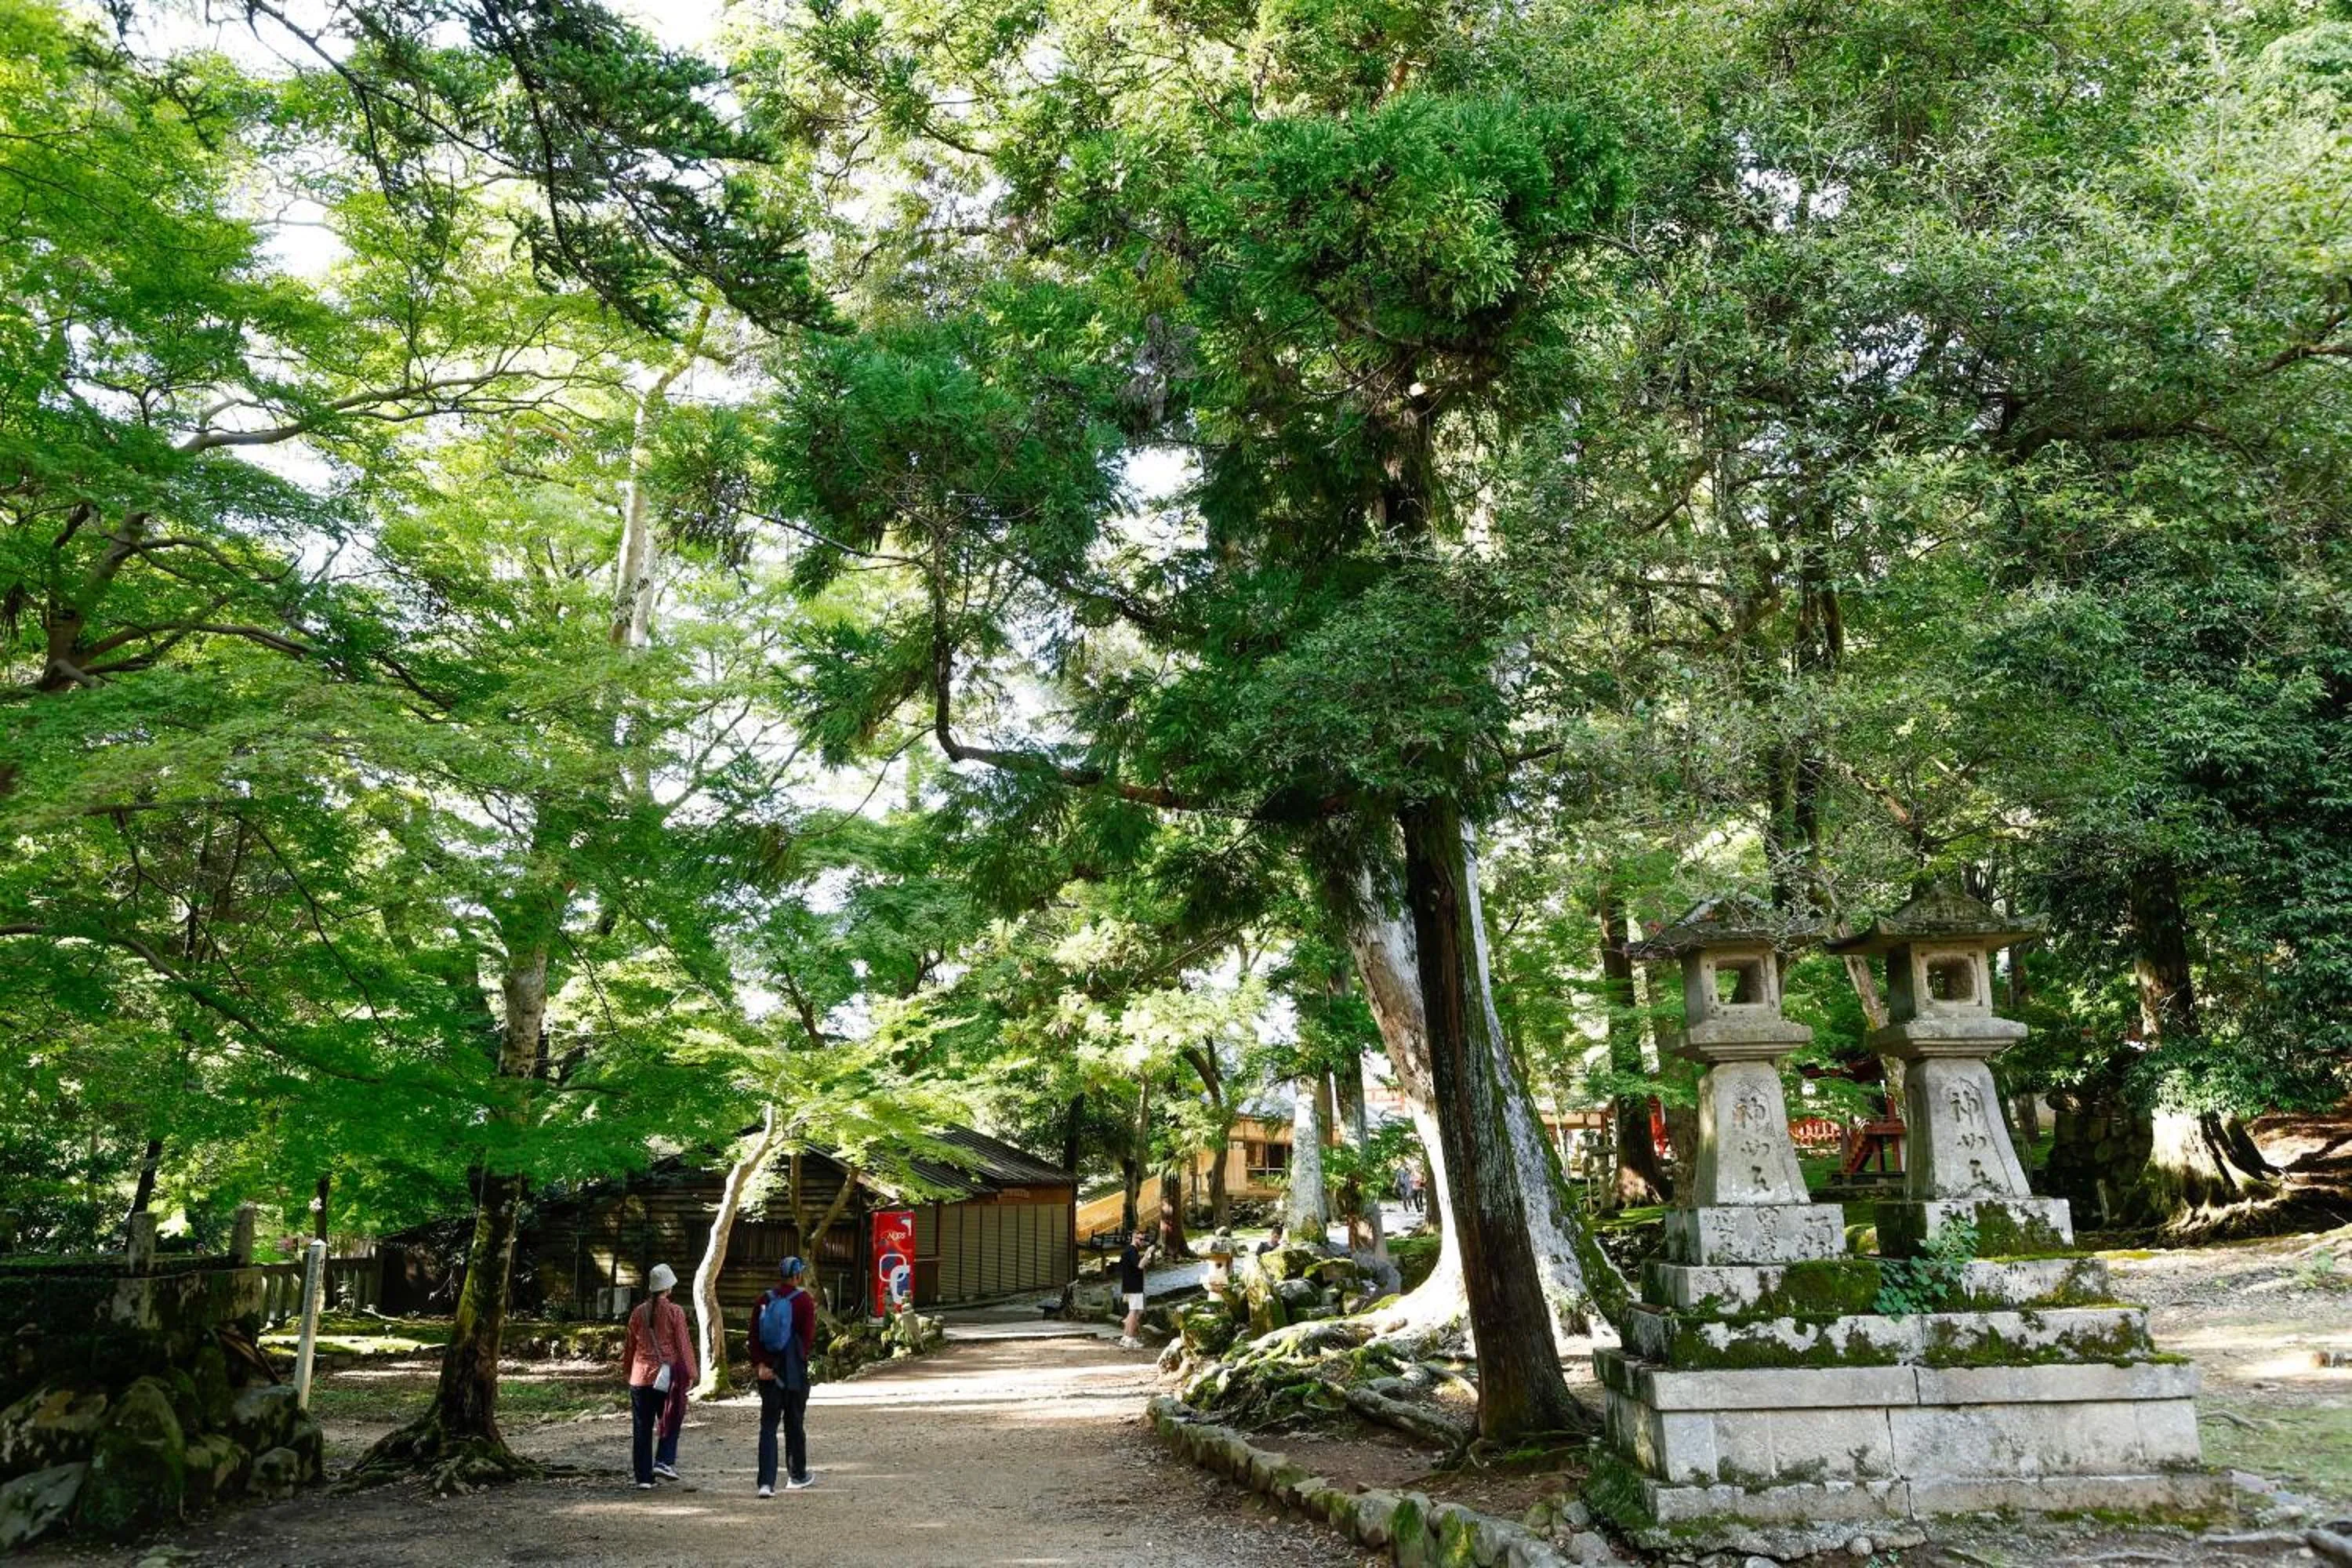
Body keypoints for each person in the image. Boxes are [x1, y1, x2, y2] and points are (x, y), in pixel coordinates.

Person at [750, 1255, 818, 1497]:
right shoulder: (804, 1301)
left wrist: (760, 1365)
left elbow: (754, 1337)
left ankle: (765, 1483)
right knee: (794, 1423)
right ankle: (797, 1475)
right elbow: (807, 1339)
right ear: (798, 1275)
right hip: (794, 1374)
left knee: (768, 1427)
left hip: (768, 1373)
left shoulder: (764, 1300)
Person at [624, 1263, 697, 1490]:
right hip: (667, 1376)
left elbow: (630, 1345)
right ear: (669, 1288)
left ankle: (644, 1478)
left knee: (642, 1427)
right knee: (671, 1417)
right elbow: (683, 1345)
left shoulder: (638, 1312)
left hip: (640, 1376)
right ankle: (664, 1460)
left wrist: (628, 1371)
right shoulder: (675, 1312)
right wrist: (691, 1373)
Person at [1116, 1229, 1149, 1349]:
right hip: (1134, 1287)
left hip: (1130, 1286)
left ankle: (1126, 1337)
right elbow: (1140, 1265)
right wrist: (1148, 1253)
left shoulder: (1127, 1251)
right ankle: (1130, 1338)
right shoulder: (1132, 1251)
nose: (1142, 1242)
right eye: (1140, 1239)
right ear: (1134, 1238)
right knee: (1134, 1313)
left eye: (1144, 1239)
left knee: (1135, 1312)